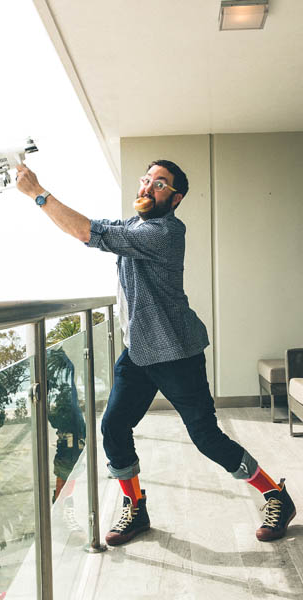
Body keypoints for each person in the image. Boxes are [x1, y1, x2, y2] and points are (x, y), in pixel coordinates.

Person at [16, 160, 296, 546]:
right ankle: (136, 507)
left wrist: (37, 193)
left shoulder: (165, 232)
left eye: (160, 184)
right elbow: (87, 227)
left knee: (206, 438)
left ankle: (275, 495)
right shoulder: (134, 226)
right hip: (138, 353)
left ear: (175, 198)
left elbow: (86, 232)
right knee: (113, 427)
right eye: (147, 179)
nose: (148, 186)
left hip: (176, 352)